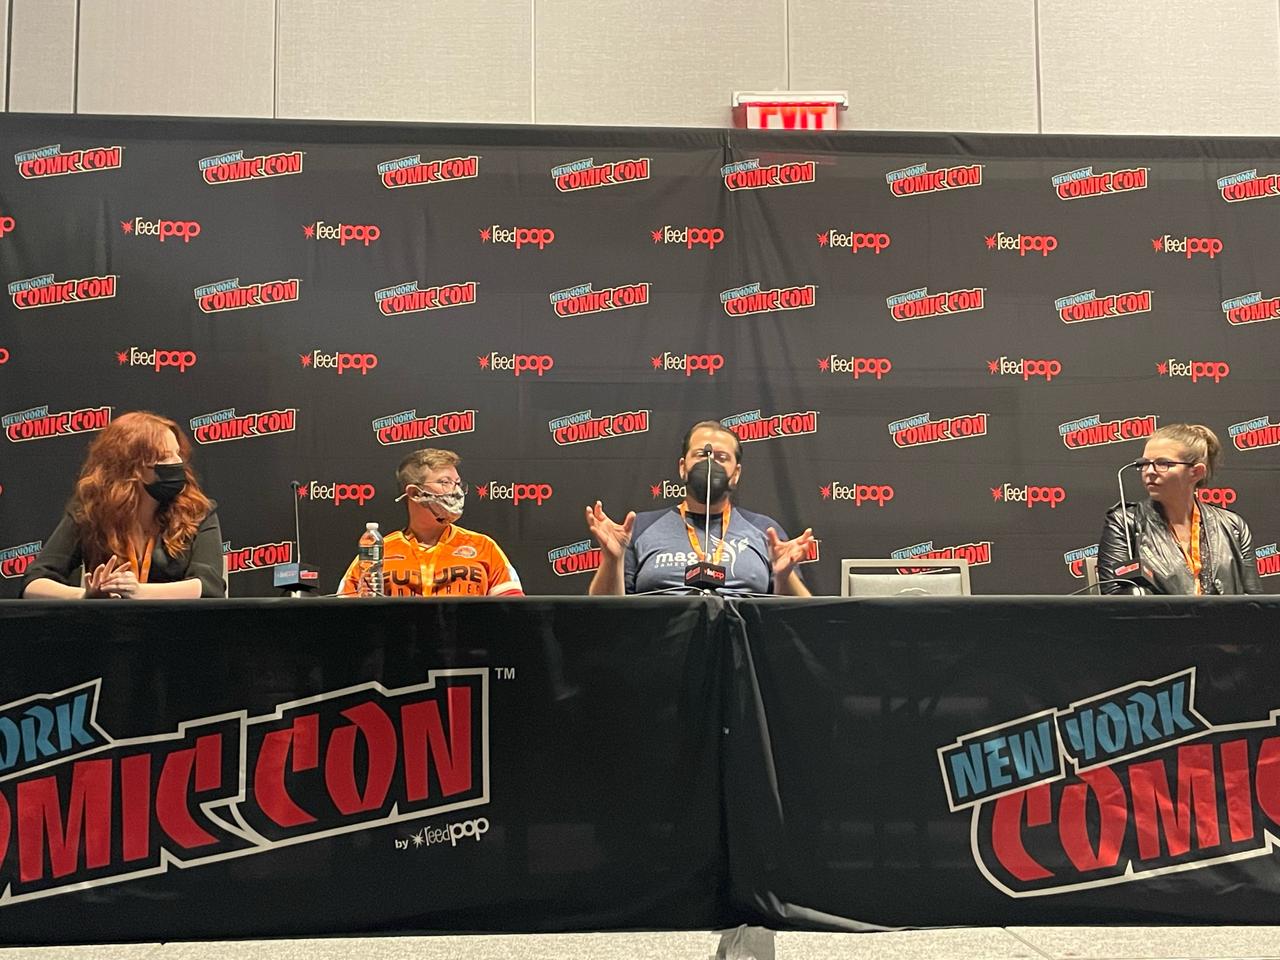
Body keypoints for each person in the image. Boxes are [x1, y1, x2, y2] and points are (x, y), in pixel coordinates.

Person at [586, 420, 813, 595]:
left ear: (736, 474)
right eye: (701, 455)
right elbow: (606, 615)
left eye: (722, 457)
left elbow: (796, 617)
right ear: (683, 468)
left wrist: (784, 576)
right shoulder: (640, 528)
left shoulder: (765, 530)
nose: (710, 462)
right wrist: (612, 561)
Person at [21, 411, 225, 599]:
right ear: (131, 467)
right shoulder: (91, 511)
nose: (176, 463)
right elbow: (34, 584)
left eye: (177, 453)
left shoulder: (197, 511)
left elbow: (209, 586)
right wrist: (84, 596)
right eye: (164, 457)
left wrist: (138, 591)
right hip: (108, 631)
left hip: (176, 630)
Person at [1097, 423, 1261, 595]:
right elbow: (1114, 598)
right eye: (1145, 463)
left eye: (1163, 463)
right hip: (1159, 621)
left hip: (1224, 621)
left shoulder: (1233, 526)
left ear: (1196, 472)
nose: (1149, 471)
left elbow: (1253, 601)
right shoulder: (1125, 521)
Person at [337, 448, 523, 597]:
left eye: (457, 483)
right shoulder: (377, 550)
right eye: (445, 482)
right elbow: (346, 612)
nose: (456, 491)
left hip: (466, 644)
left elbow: (514, 612)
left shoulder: (484, 546)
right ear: (415, 493)